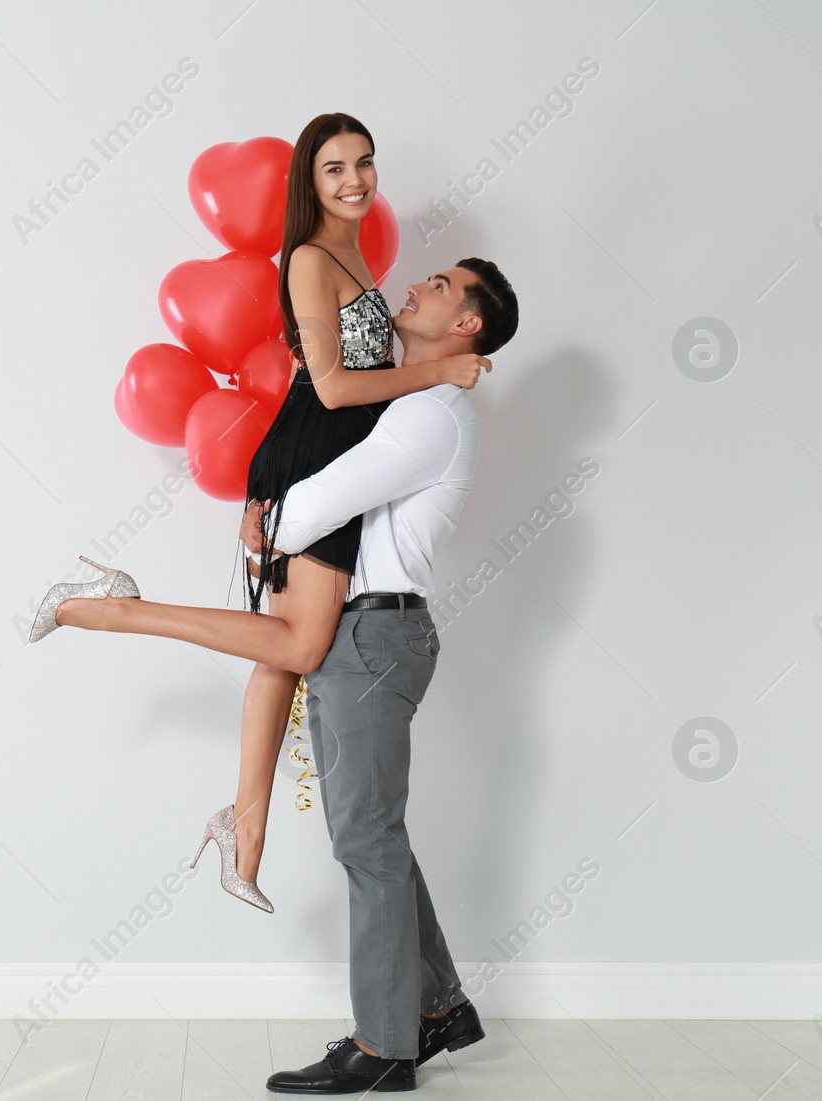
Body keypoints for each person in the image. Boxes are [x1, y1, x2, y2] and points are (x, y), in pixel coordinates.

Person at [29, 114, 485, 914]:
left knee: (278, 660)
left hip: (312, 453)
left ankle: (245, 836)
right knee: (302, 643)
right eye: (335, 169)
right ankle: (105, 607)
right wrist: (439, 369)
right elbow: (335, 388)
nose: (355, 181)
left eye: (365, 164)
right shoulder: (309, 259)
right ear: (309, 182)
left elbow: (337, 385)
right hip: (313, 453)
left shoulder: (349, 253)